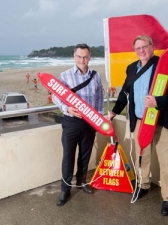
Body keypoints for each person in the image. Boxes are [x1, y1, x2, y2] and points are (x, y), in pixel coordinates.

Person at [108, 35, 168, 216]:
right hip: (141, 121)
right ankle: (143, 185)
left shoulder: (166, 65)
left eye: (144, 47)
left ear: (152, 47)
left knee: (167, 162)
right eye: (138, 48)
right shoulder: (132, 68)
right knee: (143, 157)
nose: (141, 51)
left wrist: (159, 101)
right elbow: (125, 93)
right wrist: (115, 111)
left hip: (163, 122)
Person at [52, 43, 104, 206]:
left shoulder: (95, 76)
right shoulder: (65, 75)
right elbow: (55, 96)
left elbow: (99, 100)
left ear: (89, 57)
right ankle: (65, 189)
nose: (82, 60)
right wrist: (66, 108)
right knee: (68, 157)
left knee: (84, 156)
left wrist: (99, 120)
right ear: (74, 57)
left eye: (85, 56)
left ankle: (82, 182)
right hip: (71, 122)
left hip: (89, 123)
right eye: (79, 56)